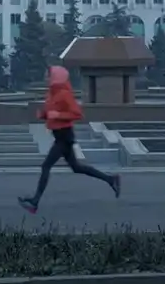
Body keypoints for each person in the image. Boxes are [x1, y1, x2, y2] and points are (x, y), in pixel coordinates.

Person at [19, 66, 121, 214]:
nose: (46, 78)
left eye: (49, 75)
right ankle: (111, 180)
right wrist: (43, 115)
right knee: (76, 167)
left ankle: (35, 202)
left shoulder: (65, 94)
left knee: (46, 166)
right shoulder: (51, 94)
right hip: (59, 136)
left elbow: (77, 114)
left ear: (56, 77)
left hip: (64, 137)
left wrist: (58, 116)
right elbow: (51, 112)